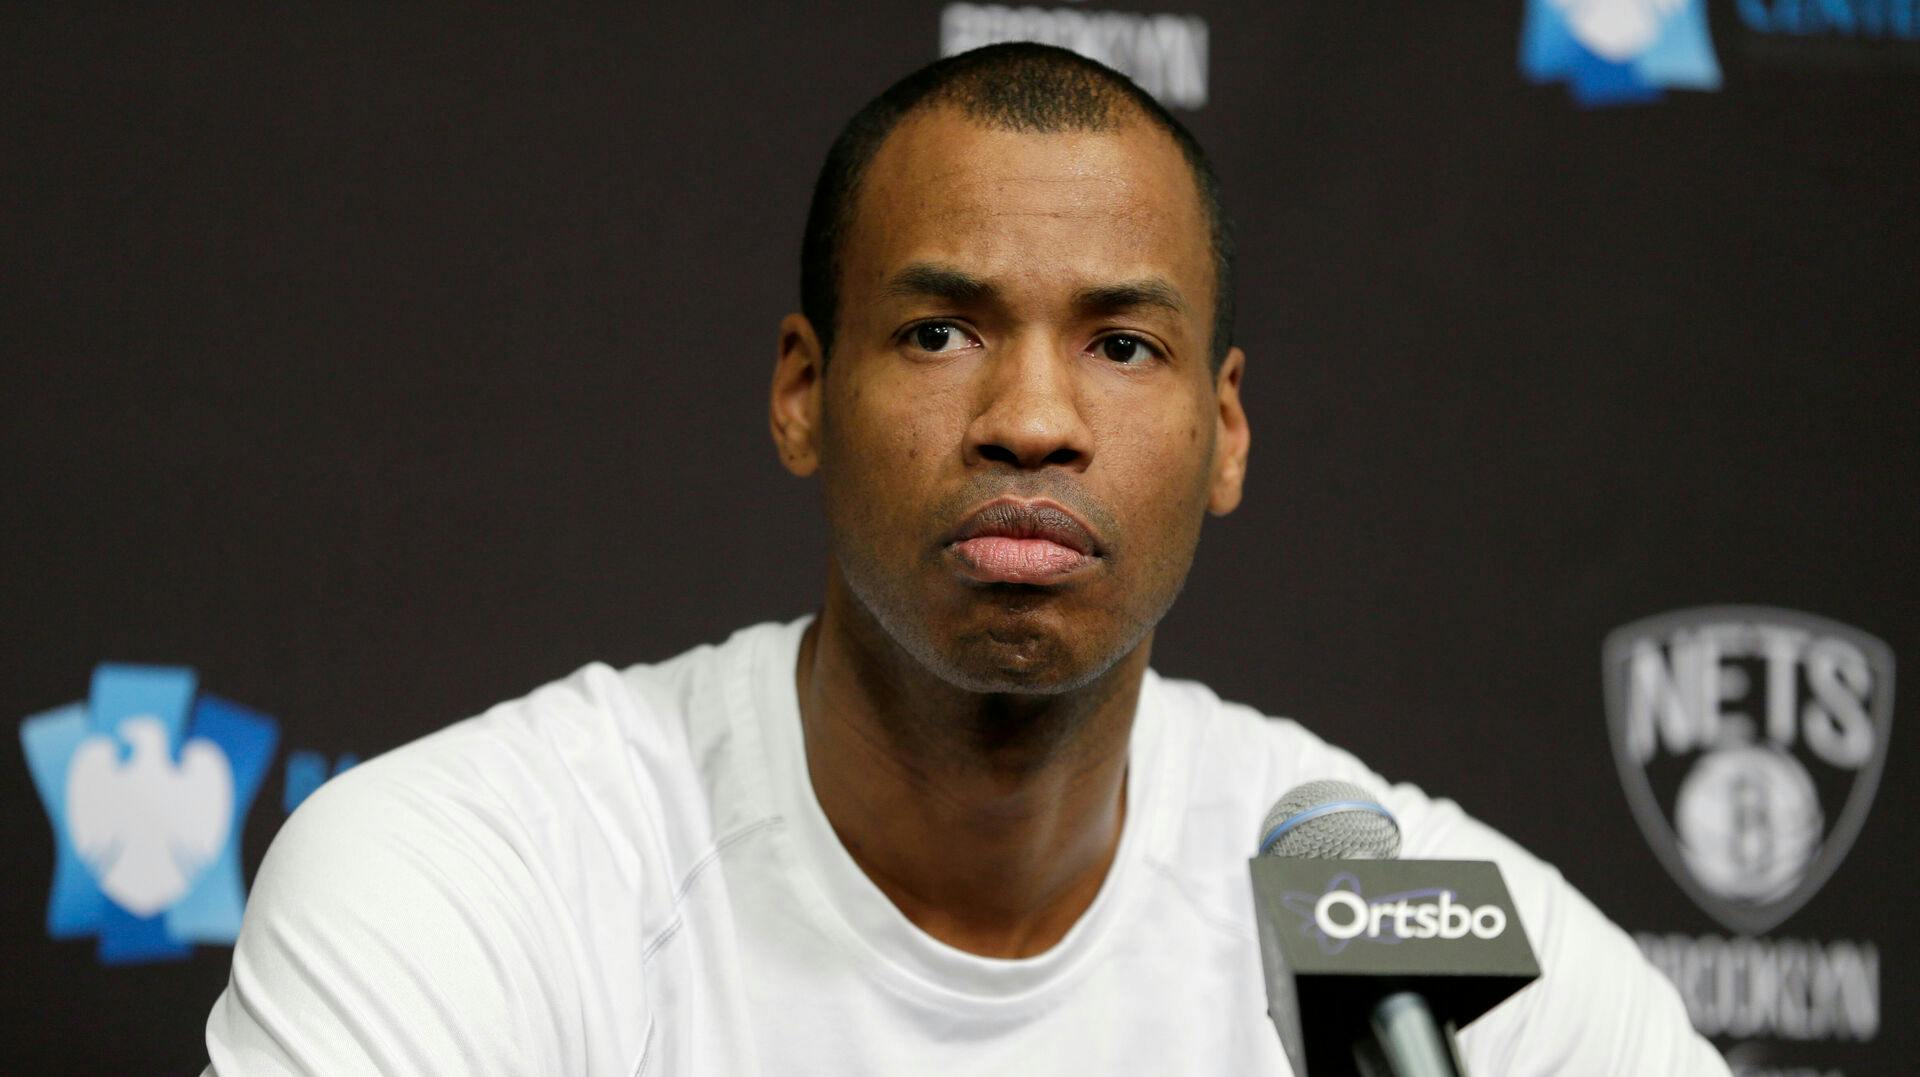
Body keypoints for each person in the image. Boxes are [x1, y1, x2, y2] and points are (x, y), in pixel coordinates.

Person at [203, 44, 1727, 1075]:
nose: (1033, 420)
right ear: (804, 391)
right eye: (940, 332)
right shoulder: (478, 875)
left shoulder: (1394, 943)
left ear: (1226, 432)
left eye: (1122, 345)